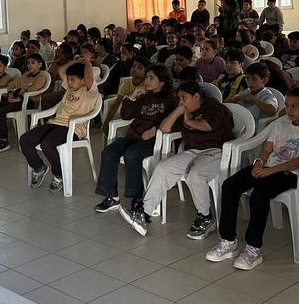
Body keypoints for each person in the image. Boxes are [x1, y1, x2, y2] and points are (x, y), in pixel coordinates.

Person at [205, 87, 299, 269]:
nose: (290, 110)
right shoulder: (280, 123)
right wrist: (259, 163)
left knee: (259, 195)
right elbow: (267, 149)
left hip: (289, 174)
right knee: (230, 185)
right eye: (287, 105)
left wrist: (271, 170)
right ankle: (228, 241)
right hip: (267, 168)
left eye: (295, 106)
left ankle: (253, 248)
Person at [122, 81, 235, 237]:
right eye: (179, 98)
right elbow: (164, 129)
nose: (181, 101)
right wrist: (179, 110)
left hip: (216, 151)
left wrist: (188, 121)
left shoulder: (215, 108)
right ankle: (144, 214)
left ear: (197, 96)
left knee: (196, 175)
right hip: (192, 151)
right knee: (163, 167)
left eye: (184, 98)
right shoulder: (185, 110)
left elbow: (207, 125)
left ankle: (206, 217)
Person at [94, 64, 177, 213]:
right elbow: (126, 115)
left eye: (151, 78)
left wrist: (155, 130)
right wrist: (132, 97)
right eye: (146, 77)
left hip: (155, 140)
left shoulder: (171, 99)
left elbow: (174, 121)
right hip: (134, 135)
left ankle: (137, 198)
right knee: (108, 152)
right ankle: (112, 197)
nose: (147, 81)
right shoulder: (144, 95)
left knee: (131, 155)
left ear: (162, 82)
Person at [20, 55, 100, 192]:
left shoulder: (90, 91)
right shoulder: (70, 88)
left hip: (74, 128)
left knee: (47, 144)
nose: (68, 82)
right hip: (56, 123)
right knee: (25, 140)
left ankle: (58, 175)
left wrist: (86, 60)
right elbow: (61, 70)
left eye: (72, 79)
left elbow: (88, 76)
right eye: (68, 79)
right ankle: (39, 168)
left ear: (82, 81)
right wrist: (76, 60)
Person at [0, 54, 52, 153]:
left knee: (0, 111)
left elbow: (34, 89)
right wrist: (11, 93)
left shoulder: (41, 76)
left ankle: (4, 140)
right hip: (18, 98)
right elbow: (12, 84)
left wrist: (19, 97)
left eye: (33, 63)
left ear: (40, 64)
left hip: (30, 102)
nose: (30, 65)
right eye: (28, 63)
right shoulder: (26, 75)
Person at [101, 56, 149, 132]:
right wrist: (106, 122)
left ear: (146, 72)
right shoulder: (127, 83)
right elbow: (116, 103)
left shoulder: (147, 85)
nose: (134, 69)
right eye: (133, 66)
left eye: (139, 68)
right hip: (128, 112)